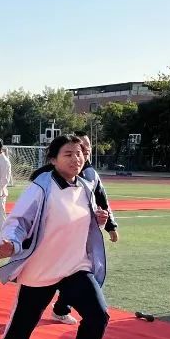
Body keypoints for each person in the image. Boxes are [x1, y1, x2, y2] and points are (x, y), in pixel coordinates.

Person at [0, 135, 112, 339]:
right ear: (53, 159)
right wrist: (11, 244)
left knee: (98, 315)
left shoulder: (86, 187)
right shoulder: (41, 187)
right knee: (23, 324)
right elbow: (19, 221)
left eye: (79, 154)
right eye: (68, 154)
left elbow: (81, 221)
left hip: (76, 267)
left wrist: (98, 220)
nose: (75, 159)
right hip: (42, 268)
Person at [48, 132, 119, 324]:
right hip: (54, 248)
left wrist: (109, 225)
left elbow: (101, 200)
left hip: (82, 244)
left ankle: (61, 308)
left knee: (81, 280)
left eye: (85, 150)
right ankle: (58, 307)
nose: (84, 153)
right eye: (80, 149)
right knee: (32, 303)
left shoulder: (90, 175)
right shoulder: (49, 181)